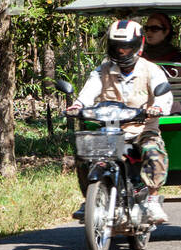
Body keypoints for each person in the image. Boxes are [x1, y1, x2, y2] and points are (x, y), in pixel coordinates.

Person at [67, 19, 173, 224]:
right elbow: (89, 91)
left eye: (127, 47)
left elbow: (164, 94)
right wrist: (78, 106)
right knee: (83, 155)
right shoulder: (102, 70)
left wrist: (157, 107)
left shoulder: (151, 70)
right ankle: (90, 198)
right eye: (118, 47)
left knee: (154, 151)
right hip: (109, 132)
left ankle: (152, 199)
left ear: (138, 45)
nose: (122, 52)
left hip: (142, 130)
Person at [141, 12, 181, 80]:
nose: (148, 32)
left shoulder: (176, 56)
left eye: (154, 29)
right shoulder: (140, 53)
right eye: (146, 28)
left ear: (166, 32)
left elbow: (179, 83)